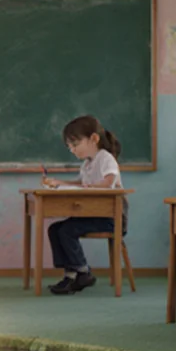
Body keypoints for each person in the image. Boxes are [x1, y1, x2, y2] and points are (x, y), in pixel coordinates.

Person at [41, 115, 125, 295]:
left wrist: (87, 187)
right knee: (55, 229)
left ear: (94, 139)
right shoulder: (87, 164)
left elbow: (108, 182)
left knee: (66, 230)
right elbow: (80, 184)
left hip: (111, 217)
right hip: (92, 215)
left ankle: (83, 272)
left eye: (75, 144)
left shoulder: (106, 158)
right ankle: (70, 275)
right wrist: (59, 183)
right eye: (69, 146)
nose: (72, 149)